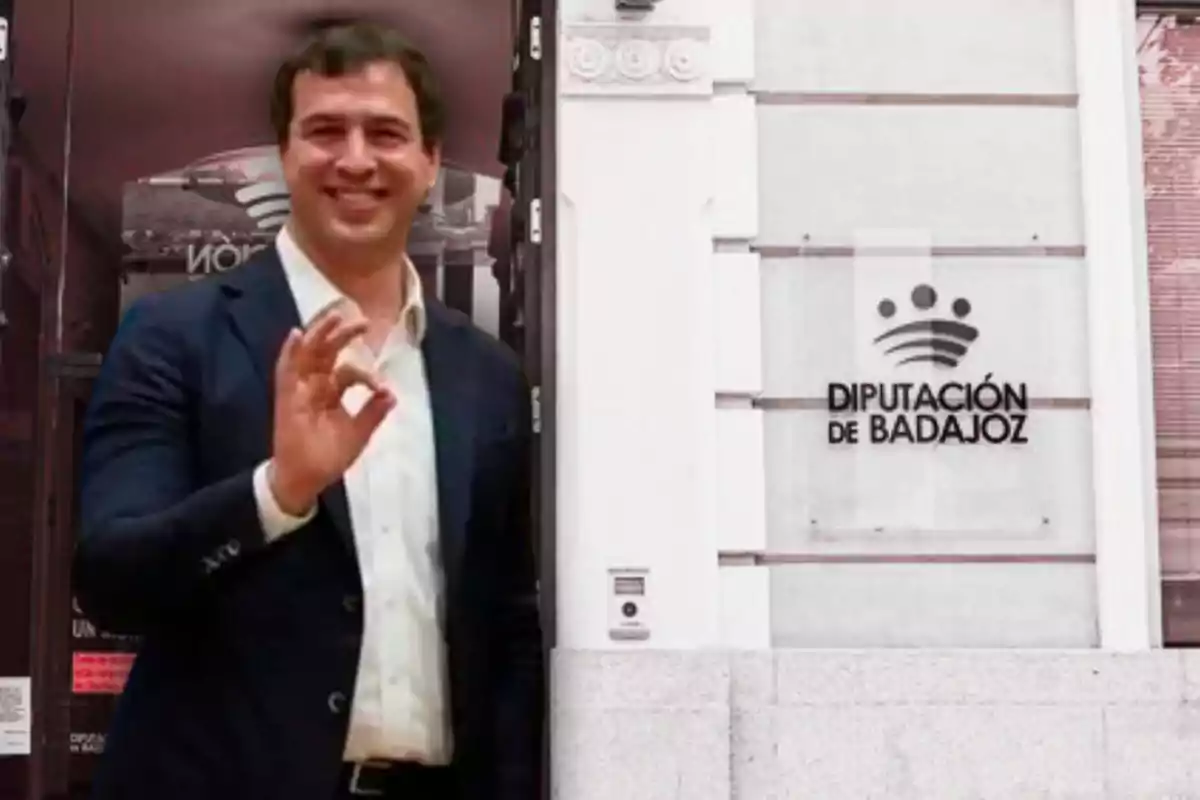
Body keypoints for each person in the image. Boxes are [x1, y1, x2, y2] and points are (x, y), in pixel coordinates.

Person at [73, 20, 543, 800]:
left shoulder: (486, 375)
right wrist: (277, 493)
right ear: (285, 156)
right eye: (325, 131)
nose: (355, 159)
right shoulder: (171, 337)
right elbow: (112, 581)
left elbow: (508, 622)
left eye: (386, 133)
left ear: (428, 164)